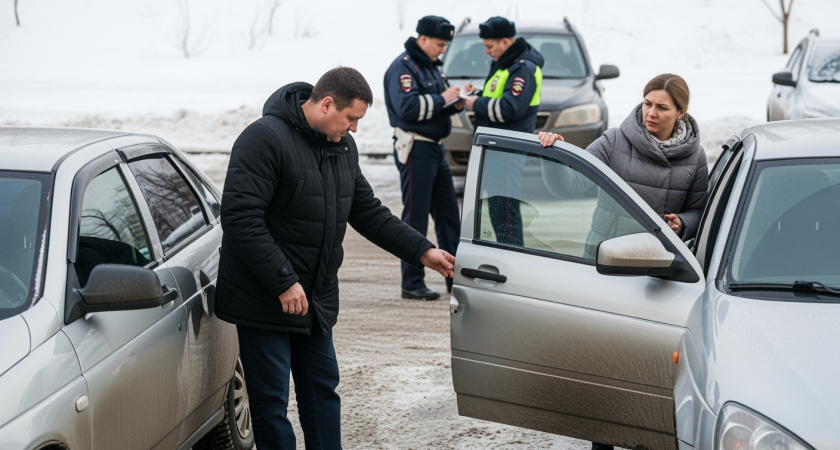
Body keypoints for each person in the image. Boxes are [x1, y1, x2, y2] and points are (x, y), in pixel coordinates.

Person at [215, 66, 455, 450]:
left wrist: (421, 250)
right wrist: (283, 281)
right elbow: (241, 218)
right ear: (327, 104)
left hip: (315, 296)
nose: (355, 128)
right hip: (263, 297)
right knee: (271, 403)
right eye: (352, 118)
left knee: (322, 392)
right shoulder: (263, 139)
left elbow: (367, 211)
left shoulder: (341, 145)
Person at [541, 75, 709, 450]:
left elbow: (700, 209)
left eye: (662, 107)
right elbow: (569, 186)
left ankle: (643, 434)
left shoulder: (695, 157)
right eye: (648, 102)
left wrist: (684, 222)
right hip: (606, 264)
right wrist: (555, 155)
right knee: (600, 356)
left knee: (643, 361)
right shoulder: (616, 140)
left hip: (656, 272)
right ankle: (601, 439)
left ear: (681, 112)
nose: (651, 112)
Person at [384, 15, 462, 300]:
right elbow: (407, 108)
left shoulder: (430, 68)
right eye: (440, 44)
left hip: (435, 147)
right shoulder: (404, 68)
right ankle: (411, 282)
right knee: (415, 217)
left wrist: (456, 101)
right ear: (423, 39)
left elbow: (437, 104)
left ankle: (456, 279)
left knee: (449, 217)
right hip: (416, 148)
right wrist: (444, 98)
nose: (443, 50)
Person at [462, 16, 545, 246]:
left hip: (509, 149)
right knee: (497, 208)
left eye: (490, 46)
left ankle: (513, 256)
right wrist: (478, 95)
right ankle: (504, 251)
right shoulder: (506, 65)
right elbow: (498, 99)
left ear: (506, 43)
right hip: (496, 148)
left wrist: (475, 104)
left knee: (506, 210)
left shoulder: (523, 68)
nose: (487, 52)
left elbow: (510, 109)